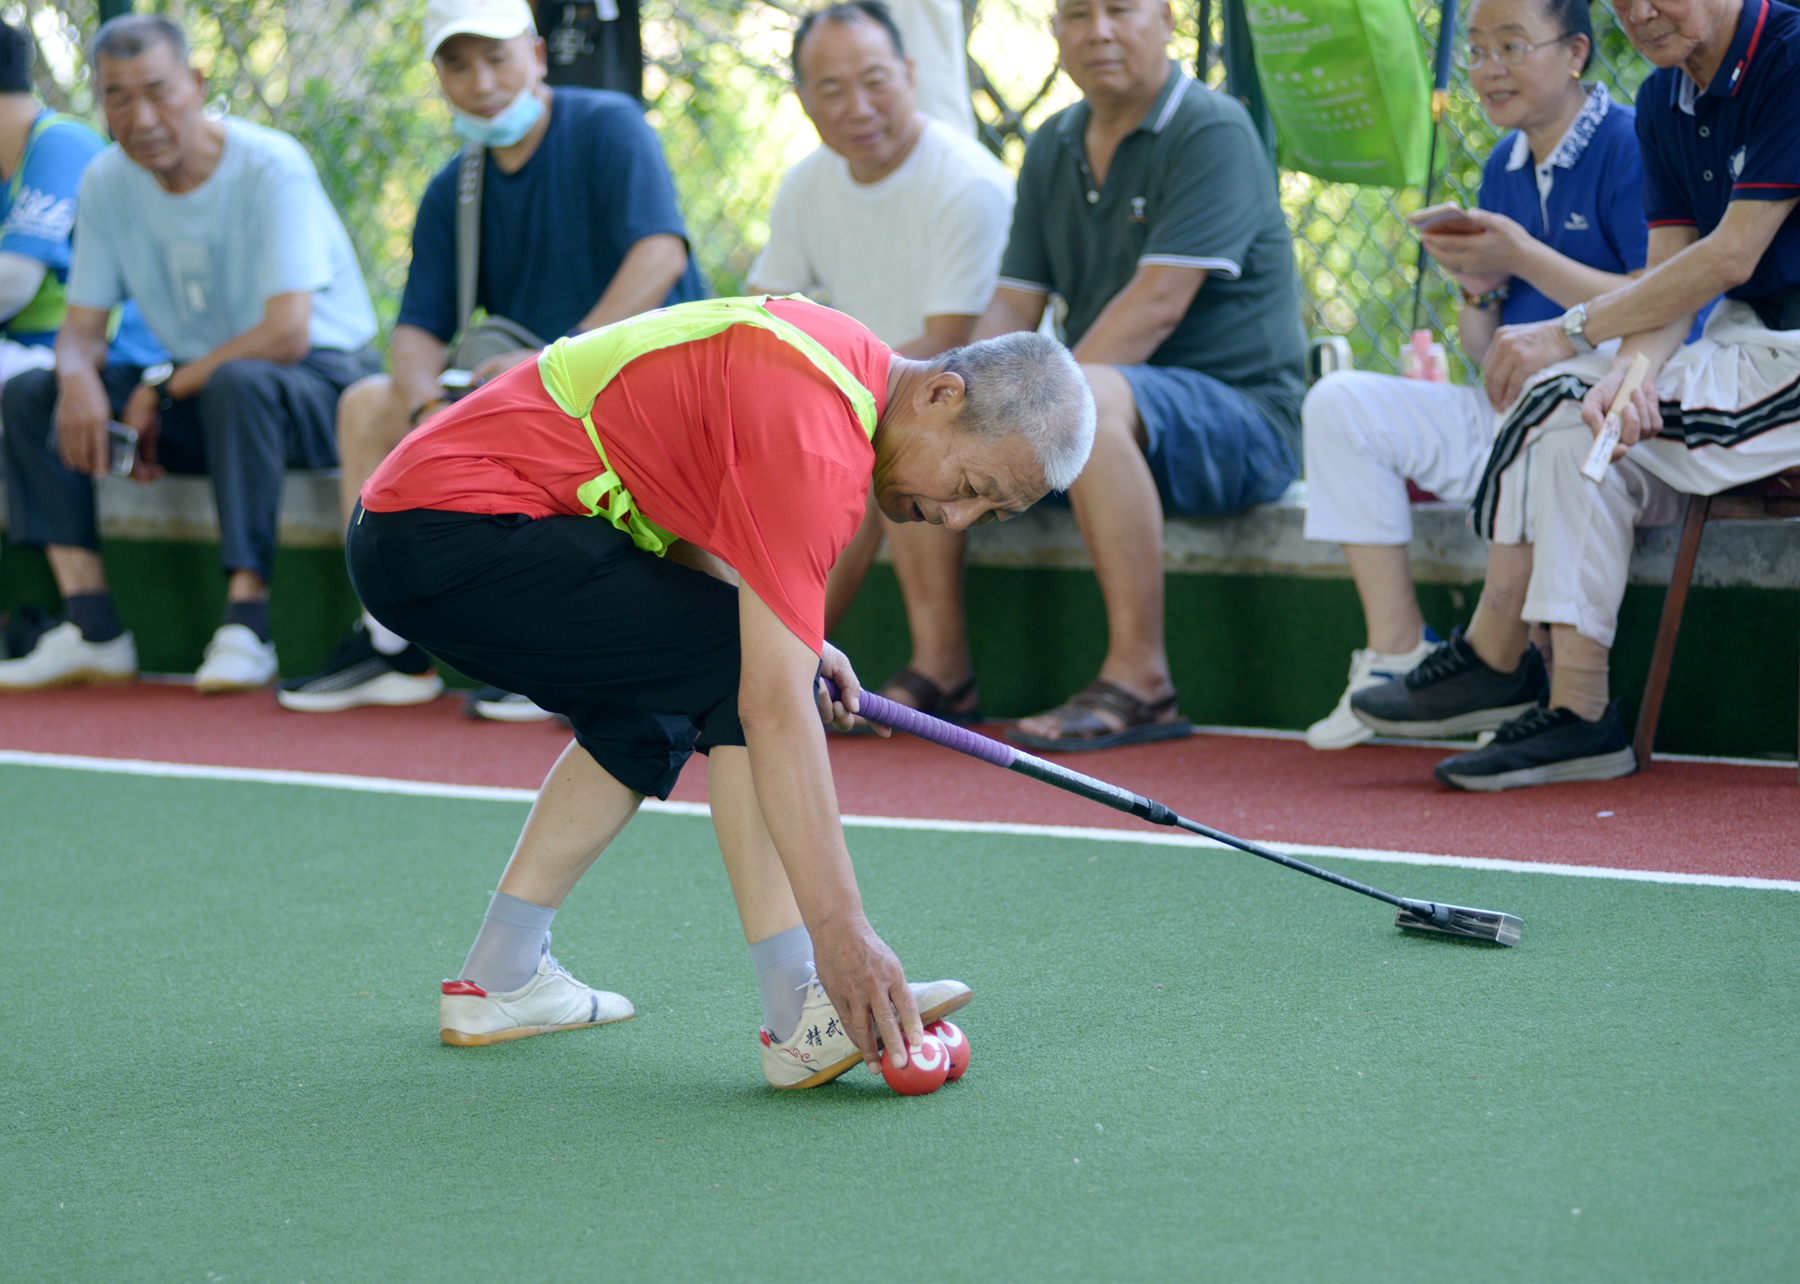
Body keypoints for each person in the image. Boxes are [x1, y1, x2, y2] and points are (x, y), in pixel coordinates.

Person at [349, 295, 1094, 1085]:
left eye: (989, 513)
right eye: (971, 483)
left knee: (665, 698)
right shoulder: (819, 444)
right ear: (944, 395)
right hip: (457, 525)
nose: (955, 517)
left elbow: (673, 504)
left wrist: (798, 639)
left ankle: (500, 976)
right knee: (743, 676)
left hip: (426, 528)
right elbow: (769, 707)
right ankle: (801, 1006)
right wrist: (844, 932)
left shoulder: (836, 361)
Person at [1357, 0, 1800, 789]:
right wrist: (1631, 373)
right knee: (1579, 424)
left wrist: (1572, 334)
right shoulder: (1668, 95)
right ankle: (1579, 712)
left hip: (1791, 352)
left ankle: (1495, 647)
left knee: (1555, 389)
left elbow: (1731, 257)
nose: (1640, 12)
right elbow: (1670, 284)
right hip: (1746, 345)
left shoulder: (1791, 54)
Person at [875, 0, 1308, 747]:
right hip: (1110, 410)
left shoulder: (1213, 129)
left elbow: (1157, 306)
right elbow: (1012, 303)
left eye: (1121, 10)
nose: (1099, 30)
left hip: (1241, 422)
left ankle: (1143, 681)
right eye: (1078, 14)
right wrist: (958, 399)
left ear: (1166, 19)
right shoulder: (1054, 143)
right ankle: (943, 671)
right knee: (929, 408)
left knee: (1090, 401)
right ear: (1055, 34)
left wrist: (1034, 408)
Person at [277, 0, 703, 719]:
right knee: (369, 404)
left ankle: (570, 652)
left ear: (536, 55)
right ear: (439, 77)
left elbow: (660, 252)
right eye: (457, 63)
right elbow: (416, 331)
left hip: (637, 379)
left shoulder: (608, 125)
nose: (480, 80)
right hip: (531, 397)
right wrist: (425, 408)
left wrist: (556, 362)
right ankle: (391, 648)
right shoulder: (455, 186)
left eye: (496, 57)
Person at [1301, 0, 1655, 749]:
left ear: (1575, 53)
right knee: (1338, 402)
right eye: (1478, 51)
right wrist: (1474, 283)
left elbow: (1657, 302)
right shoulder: (1504, 164)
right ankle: (1396, 653)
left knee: (1545, 394)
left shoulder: (1629, 142)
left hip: (1591, 420)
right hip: (1505, 416)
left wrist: (1522, 255)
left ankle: (1517, 675)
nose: (1490, 69)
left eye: (1512, 45)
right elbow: (1483, 342)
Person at [0, 14, 379, 694]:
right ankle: (92, 627)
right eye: (118, 96)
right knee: (33, 394)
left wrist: (163, 389)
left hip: (315, 381)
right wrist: (77, 375)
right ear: (100, 101)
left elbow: (287, 332)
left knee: (239, 381)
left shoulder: (271, 165)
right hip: (200, 387)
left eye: (159, 90)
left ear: (198, 85)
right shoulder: (107, 181)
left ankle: (247, 624)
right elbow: (82, 329)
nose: (141, 116)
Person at [747, 0, 1014, 714]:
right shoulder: (806, 184)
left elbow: (953, 347)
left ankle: (918, 665)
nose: (858, 107)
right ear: (803, 101)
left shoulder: (967, 183)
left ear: (911, 73)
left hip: (969, 393)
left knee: (901, 439)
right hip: (858, 387)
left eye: (874, 80)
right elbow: (763, 316)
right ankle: (743, 661)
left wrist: (828, 394)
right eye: (830, 90)